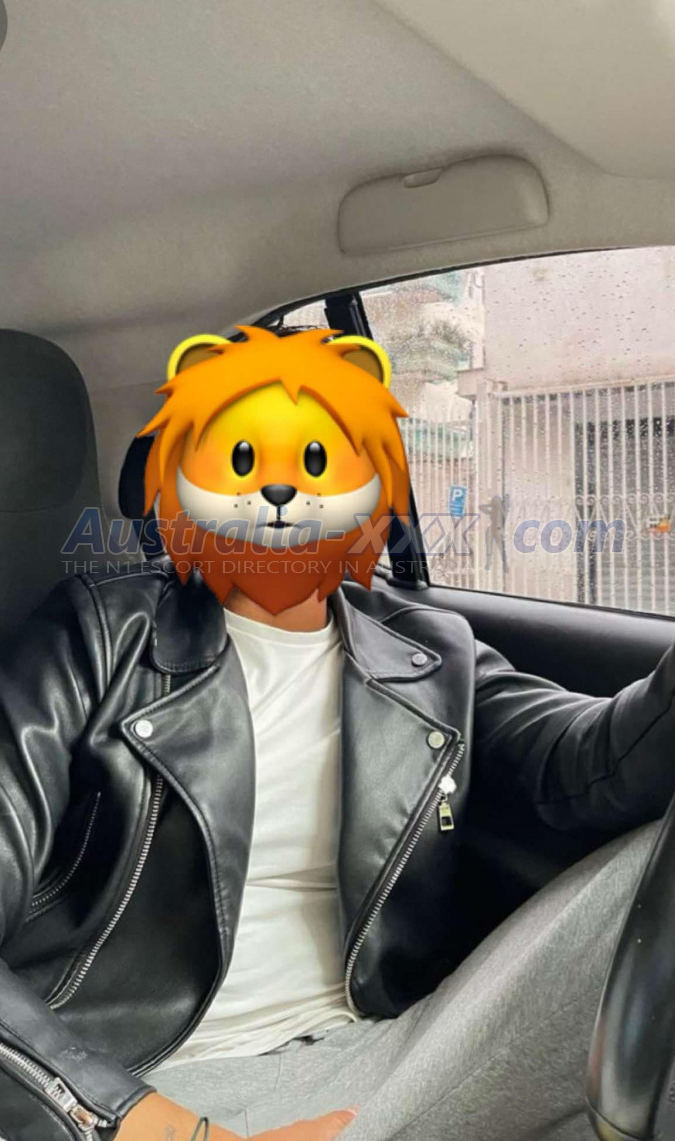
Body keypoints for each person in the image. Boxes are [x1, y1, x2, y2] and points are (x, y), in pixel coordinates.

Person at [0, 327, 673, 1141]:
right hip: (143, 1079)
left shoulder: (427, 649)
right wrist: (155, 1127)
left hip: (390, 1045)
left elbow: (591, 767)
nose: (282, 490)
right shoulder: (98, 637)